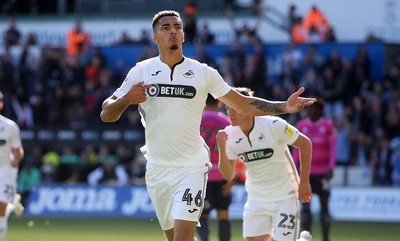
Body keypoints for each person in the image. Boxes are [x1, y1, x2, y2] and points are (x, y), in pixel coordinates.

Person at [100, 10, 316, 241]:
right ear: (155, 37)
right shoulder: (141, 71)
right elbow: (106, 113)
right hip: (157, 169)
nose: (173, 30)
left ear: (183, 35)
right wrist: (126, 99)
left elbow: (242, 104)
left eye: (177, 26)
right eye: (165, 27)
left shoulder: (203, 73)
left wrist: (284, 106)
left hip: (192, 167)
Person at [216, 87, 313, 241]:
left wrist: (304, 182)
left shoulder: (273, 125)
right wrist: (221, 148)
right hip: (256, 199)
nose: (230, 113)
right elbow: (228, 174)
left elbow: (305, 143)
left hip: (285, 197)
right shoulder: (229, 135)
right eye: (228, 107)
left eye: (234, 108)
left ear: (247, 108)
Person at [292, 98, 337, 241]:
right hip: (305, 174)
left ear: (320, 110)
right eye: (309, 108)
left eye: (315, 108)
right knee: (305, 210)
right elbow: (296, 150)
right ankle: (306, 238)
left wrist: (331, 167)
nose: (311, 110)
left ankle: (325, 239)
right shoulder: (301, 125)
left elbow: (333, 149)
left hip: (323, 173)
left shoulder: (328, 125)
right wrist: (294, 168)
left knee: (325, 210)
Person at [197, 94, 233, 241]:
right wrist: (231, 180)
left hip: (203, 175)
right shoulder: (226, 122)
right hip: (223, 174)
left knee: (203, 215)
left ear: (204, 102)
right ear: (219, 102)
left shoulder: (197, 120)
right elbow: (233, 151)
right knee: (223, 214)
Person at [0, 91, 25, 241]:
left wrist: (16, 159)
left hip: (6, 170)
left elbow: (19, 151)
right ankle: (13, 204)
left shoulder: (10, 127)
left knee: (0, 207)